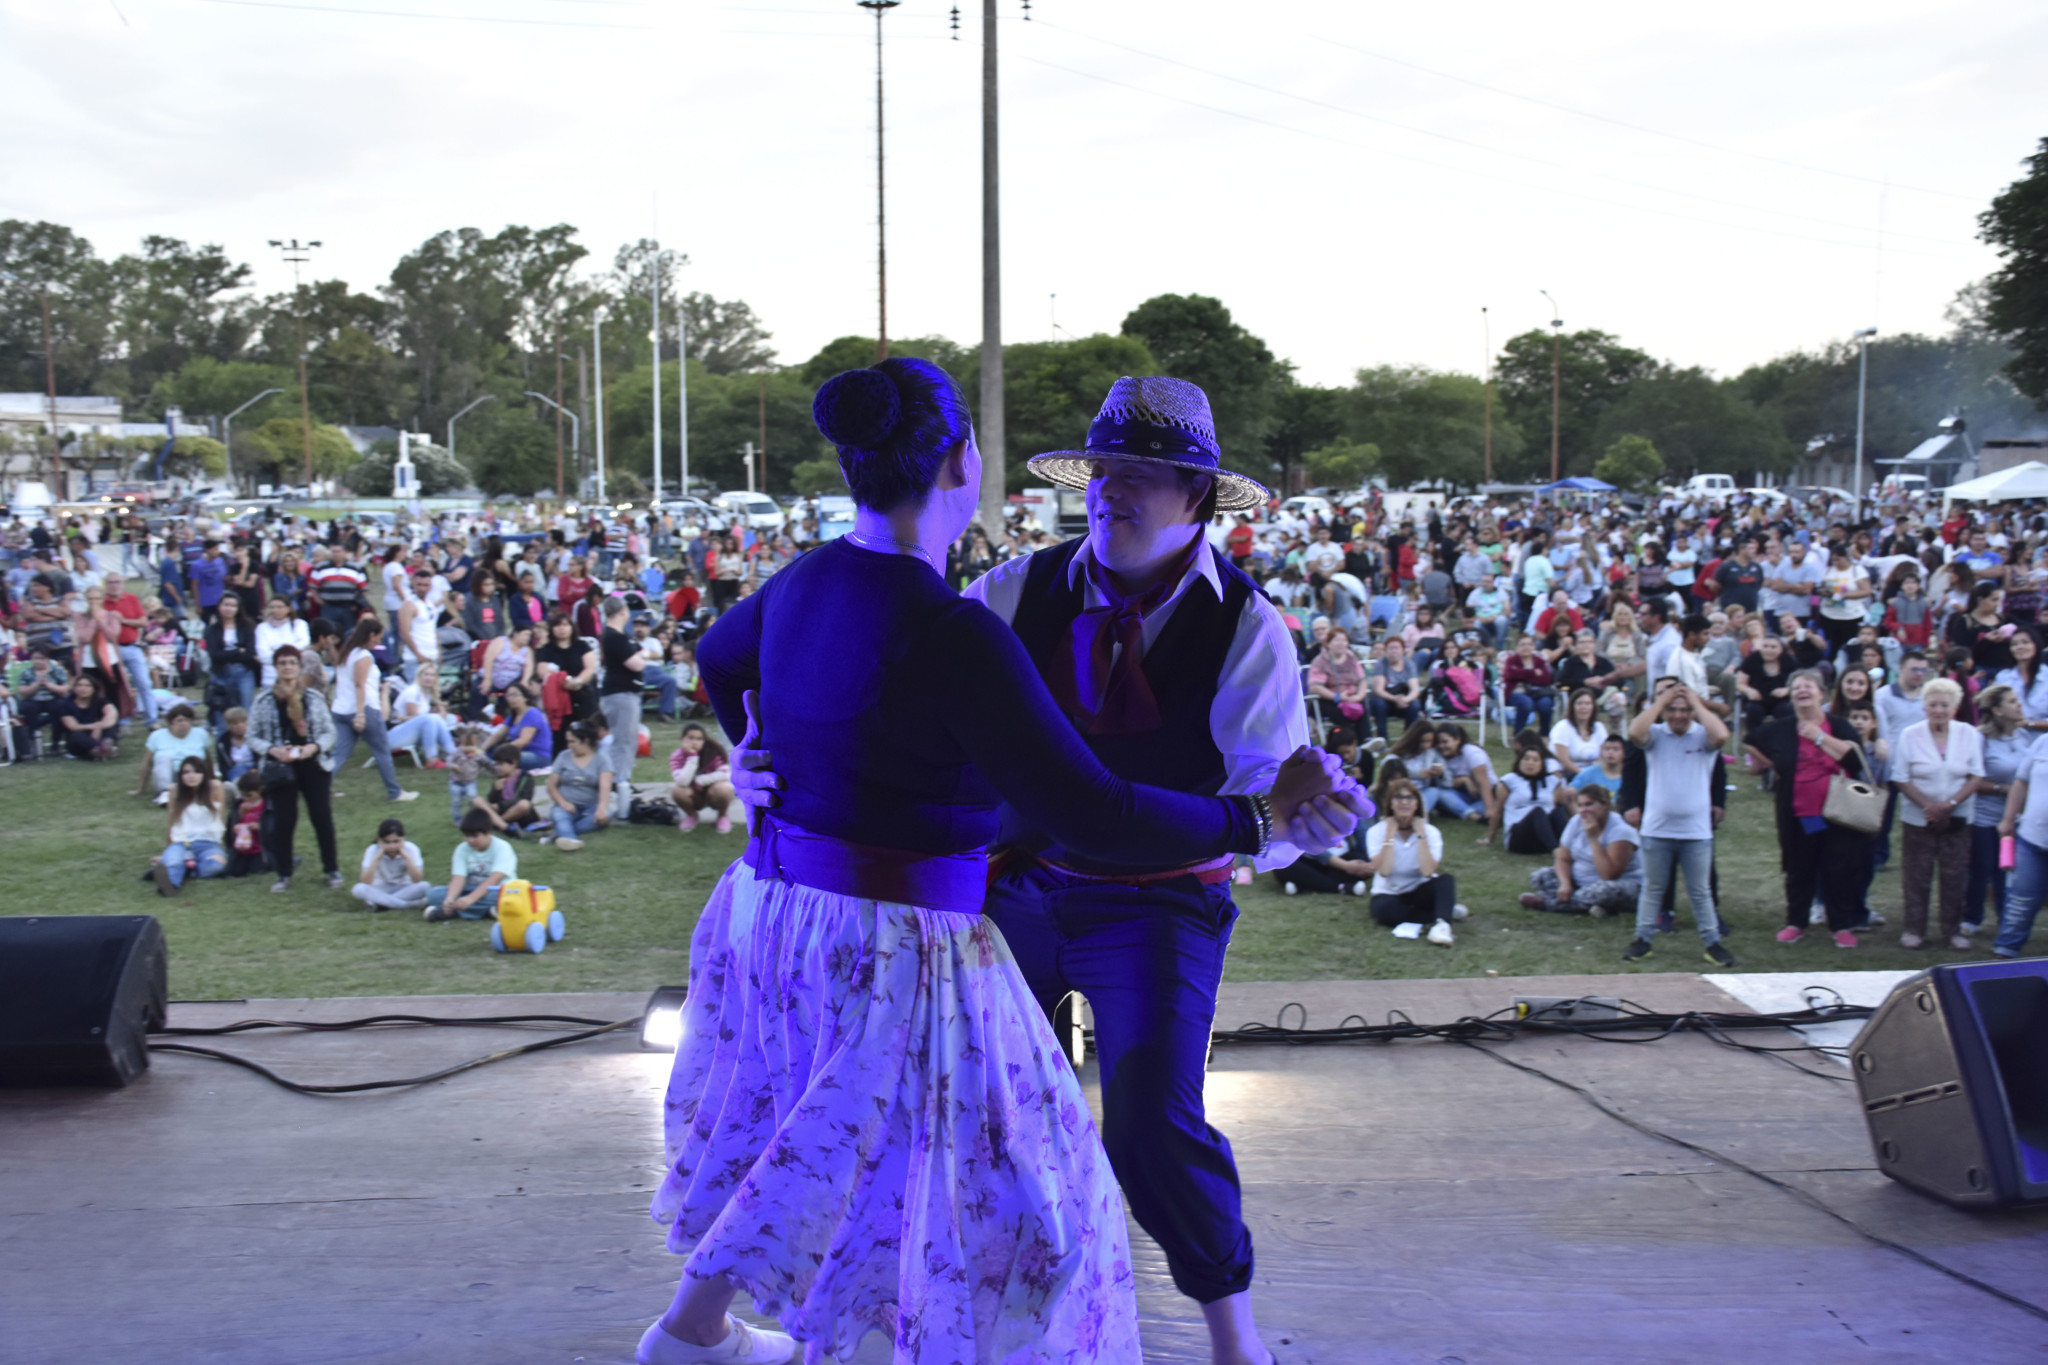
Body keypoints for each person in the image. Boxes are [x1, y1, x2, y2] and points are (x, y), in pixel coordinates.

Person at [679, 363, 1352, 1365]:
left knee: (1145, 1123)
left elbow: (1261, 794)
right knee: (953, 1123)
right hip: (1009, 892)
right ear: (962, 462)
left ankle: (1230, 1337)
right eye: (1099, 468)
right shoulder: (999, 597)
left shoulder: (1245, 627)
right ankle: (937, 1324)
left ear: (1197, 497)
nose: (1108, 488)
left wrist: (1304, 818)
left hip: (1151, 901)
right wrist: (756, 750)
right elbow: (1092, 799)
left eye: (1141, 472)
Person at [1746, 668, 1876, 948]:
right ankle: (1796, 922)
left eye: (1808, 687)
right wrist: (1774, 765)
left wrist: (1818, 737)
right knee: (1800, 866)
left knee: (1838, 867)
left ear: (1822, 693)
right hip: (1802, 814)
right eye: (1796, 688)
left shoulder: (1839, 725)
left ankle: (1841, 925)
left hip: (1839, 813)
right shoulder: (1782, 726)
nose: (1802, 692)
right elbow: (1751, 741)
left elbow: (1854, 760)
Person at [1621, 680, 1735, 966]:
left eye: (1684, 710)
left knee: (1700, 891)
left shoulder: (1702, 736)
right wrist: (1661, 702)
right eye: (1672, 710)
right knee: (1653, 888)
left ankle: (1712, 942)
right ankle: (1643, 939)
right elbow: (1634, 732)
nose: (1678, 716)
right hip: (1656, 828)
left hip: (1696, 831)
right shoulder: (1656, 734)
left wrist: (1696, 702)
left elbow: (1722, 735)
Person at [1892, 676, 1985, 951]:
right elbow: (1900, 776)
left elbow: (1977, 774)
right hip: (1918, 817)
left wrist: (1951, 804)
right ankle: (1914, 929)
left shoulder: (1969, 733)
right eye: (1933, 704)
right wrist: (1928, 806)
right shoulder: (1910, 735)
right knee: (1917, 875)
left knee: (1954, 874)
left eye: (1945, 704)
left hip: (1957, 816)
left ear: (1954, 707)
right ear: (1924, 707)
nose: (1939, 709)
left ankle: (1952, 931)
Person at [250, 645, 341, 893]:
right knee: (284, 820)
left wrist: (314, 747)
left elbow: (329, 732)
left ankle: (331, 869)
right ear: (276, 667)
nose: (287, 667)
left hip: (312, 764)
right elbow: (253, 736)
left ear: (299, 666)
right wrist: (272, 750)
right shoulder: (264, 700)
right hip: (280, 767)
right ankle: (284, 873)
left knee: (322, 817)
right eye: (282, 663)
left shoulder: (313, 698)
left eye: (291, 662)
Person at [327, 618, 418, 803]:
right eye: (379, 637)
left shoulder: (346, 654)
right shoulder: (363, 656)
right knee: (382, 751)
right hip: (364, 710)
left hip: (341, 710)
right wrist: (360, 714)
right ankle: (395, 792)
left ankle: (320, 788)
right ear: (371, 635)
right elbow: (359, 685)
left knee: (339, 754)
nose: (379, 642)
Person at [1966, 683, 2031, 938]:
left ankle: (2006, 918)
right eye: (2013, 701)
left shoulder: (2023, 736)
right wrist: (2003, 788)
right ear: (1998, 710)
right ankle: (1972, 917)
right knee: (1982, 868)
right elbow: (1972, 779)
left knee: (2010, 870)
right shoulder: (1980, 738)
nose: (2019, 705)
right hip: (1985, 817)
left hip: (2017, 818)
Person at [1518, 783, 1642, 917]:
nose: (1583, 810)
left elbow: (1609, 875)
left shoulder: (1621, 831)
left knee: (1604, 892)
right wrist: (1565, 884)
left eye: (1589, 804)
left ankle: (1548, 904)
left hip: (1618, 885)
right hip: (1580, 883)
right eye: (1580, 805)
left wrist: (1593, 838)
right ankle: (1592, 906)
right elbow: (1563, 858)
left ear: (1605, 805)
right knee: (1540, 876)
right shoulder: (1576, 821)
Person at [1366, 778, 1459, 944]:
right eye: (1398, 798)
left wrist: (1421, 833)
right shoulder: (1375, 832)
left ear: (1417, 804)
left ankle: (1442, 924)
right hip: (1389, 893)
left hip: (1419, 889)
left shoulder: (1431, 832)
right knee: (1385, 912)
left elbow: (1427, 871)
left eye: (1409, 798)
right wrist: (1390, 835)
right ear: (1390, 804)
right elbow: (1384, 871)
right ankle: (1443, 910)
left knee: (1446, 881)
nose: (1404, 803)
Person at [1994, 733, 2048, 958]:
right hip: (2032, 837)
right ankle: (2005, 951)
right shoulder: (2043, 741)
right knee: (2020, 900)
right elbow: (2021, 782)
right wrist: (2008, 819)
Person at [149, 755, 228, 896]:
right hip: (181, 841)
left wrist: (221, 846)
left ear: (204, 774)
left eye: (196, 771)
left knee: (216, 866)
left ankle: (187, 868)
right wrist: (167, 848)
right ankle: (170, 886)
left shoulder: (214, 787)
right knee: (173, 861)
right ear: (181, 775)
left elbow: (221, 819)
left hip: (208, 843)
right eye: (186, 772)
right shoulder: (175, 789)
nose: (191, 776)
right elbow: (172, 821)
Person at [423, 809, 517, 921]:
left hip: (496, 890)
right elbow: (458, 878)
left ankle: (457, 912)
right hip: (469, 889)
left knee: (508, 897)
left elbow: (494, 879)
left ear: (488, 833)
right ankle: (488, 911)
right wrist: (450, 898)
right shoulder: (462, 849)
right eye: (467, 836)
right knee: (433, 895)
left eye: (474, 836)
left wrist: (470, 899)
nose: (470, 840)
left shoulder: (502, 848)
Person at [596, 596, 647, 790]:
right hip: (621, 694)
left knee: (625, 738)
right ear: (622, 612)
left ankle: (619, 779)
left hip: (622, 693)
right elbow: (636, 663)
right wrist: (642, 657)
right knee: (623, 740)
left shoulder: (616, 636)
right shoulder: (615, 637)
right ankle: (619, 780)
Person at [544, 720, 614, 851]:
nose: (568, 745)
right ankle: (571, 840)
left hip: (591, 806)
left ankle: (559, 835)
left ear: (585, 740)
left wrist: (601, 808)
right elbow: (551, 786)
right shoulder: (563, 756)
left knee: (606, 815)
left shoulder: (602, 759)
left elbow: (605, 786)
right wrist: (563, 803)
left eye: (572, 741)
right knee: (560, 817)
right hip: (566, 805)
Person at [1491, 743, 1573, 853]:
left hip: (1544, 836)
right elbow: (1498, 811)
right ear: (1519, 761)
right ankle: (1556, 852)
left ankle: (1572, 847)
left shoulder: (1552, 781)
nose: (1530, 763)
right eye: (1526, 759)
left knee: (1558, 810)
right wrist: (1490, 837)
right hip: (1519, 837)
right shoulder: (1508, 781)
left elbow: (1561, 808)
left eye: (1535, 760)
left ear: (1542, 764)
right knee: (1537, 811)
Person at [667, 721, 737, 833]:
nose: (694, 742)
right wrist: (692, 757)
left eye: (699, 739)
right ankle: (691, 815)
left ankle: (722, 816)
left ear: (704, 741)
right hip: (693, 795)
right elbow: (682, 782)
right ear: (682, 739)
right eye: (690, 738)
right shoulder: (677, 756)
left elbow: (726, 774)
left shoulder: (714, 751)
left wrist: (702, 780)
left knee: (724, 788)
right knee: (677, 790)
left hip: (713, 793)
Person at [134, 702, 211, 803]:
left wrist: (211, 781)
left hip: (193, 775)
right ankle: (165, 793)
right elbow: (147, 763)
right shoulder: (157, 736)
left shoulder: (201, 734)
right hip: (170, 776)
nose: (183, 724)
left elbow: (208, 760)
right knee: (163, 758)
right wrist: (140, 789)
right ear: (171, 723)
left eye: (187, 720)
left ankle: (195, 792)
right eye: (179, 721)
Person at [351, 817, 430, 912]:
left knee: (425, 886)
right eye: (387, 842)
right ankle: (406, 905)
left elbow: (417, 880)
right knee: (358, 889)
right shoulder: (372, 850)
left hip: (404, 887)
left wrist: (407, 858)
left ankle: (380, 903)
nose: (392, 846)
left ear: (403, 839)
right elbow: (365, 881)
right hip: (381, 888)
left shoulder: (412, 849)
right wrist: (377, 858)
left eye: (396, 841)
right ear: (379, 841)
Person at [205, 593, 259, 720]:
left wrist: (229, 653)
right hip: (220, 673)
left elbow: (249, 653)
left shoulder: (247, 627)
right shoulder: (212, 629)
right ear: (219, 606)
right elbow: (214, 655)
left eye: (233, 606)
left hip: (243, 673)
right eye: (226, 605)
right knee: (221, 710)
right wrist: (238, 651)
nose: (229, 609)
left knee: (246, 709)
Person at [1305, 628, 1367, 730]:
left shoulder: (1352, 658)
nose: (1341, 643)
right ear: (1328, 644)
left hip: (1353, 696)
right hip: (1330, 699)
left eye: (1344, 640)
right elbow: (1315, 687)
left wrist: (1359, 696)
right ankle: (1348, 741)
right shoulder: (1320, 661)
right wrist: (1337, 697)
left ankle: (1366, 740)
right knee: (1340, 712)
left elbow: (1362, 680)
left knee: (1363, 706)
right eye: (1337, 640)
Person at [488, 680, 553, 771]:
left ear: (525, 698)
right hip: (518, 752)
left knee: (507, 758)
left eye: (514, 695)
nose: (511, 698)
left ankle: (495, 765)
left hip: (538, 755)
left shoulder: (532, 713)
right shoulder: (512, 716)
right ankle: (495, 764)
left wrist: (502, 750)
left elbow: (524, 740)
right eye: (509, 695)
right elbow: (498, 735)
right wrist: (481, 749)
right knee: (490, 749)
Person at [1368, 634, 1424, 738]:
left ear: (1403, 650)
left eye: (1397, 648)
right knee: (1379, 704)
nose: (1393, 651)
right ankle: (1382, 738)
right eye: (1390, 648)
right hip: (1386, 699)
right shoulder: (1381, 664)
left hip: (1404, 701)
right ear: (1386, 651)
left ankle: (1409, 738)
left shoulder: (1409, 664)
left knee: (1415, 705)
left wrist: (1406, 699)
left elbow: (1415, 689)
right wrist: (1395, 699)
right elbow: (1378, 690)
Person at [54, 672, 121, 760]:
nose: (83, 688)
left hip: (98, 735)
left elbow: (112, 716)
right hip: (78, 739)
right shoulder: (65, 704)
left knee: (113, 726)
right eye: (79, 685)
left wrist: (99, 727)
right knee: (77, 736)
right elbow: (73, 727)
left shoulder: (101, 701)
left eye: (87, 685)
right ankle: (101, 750)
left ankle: (104, 747)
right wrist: (95, 726)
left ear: (94, 689)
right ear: (74, 688)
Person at [1502, 632, 1557, 734]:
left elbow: (1546, 679)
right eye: (1523, 644)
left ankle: (1544, 735)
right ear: (1517, 647)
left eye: (1529, 644)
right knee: (1526, 703)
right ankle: (1519, 734)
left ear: (1534, 647)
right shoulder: (1511, 660)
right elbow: (1510, 675)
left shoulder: (1540, 661)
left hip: (1538, 693)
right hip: (1516, 693)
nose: (1526, 647)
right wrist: (1533, 673)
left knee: (1546, 703)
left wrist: (1522, 675)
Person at [255, 593, 310, 690]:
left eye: (279, 607)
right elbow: (263, 654)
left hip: (295, 677)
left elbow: (304, 643)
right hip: (270, 677)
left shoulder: (299, 624)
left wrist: (278, 651)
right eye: (272, 607)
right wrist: (289, 651)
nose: (275, 610)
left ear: (288, 608)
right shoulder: (262, 627)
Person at [1549, 687, 1607, 780]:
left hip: (1595, 773)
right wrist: (1583, 774)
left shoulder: (1599, 727)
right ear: (1572, 707)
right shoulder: (1562, 727)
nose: (1583, 707)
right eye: (1579, 703)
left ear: (1593, 707)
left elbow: (1604, 755)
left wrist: (1594, 771)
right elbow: (1564, 761)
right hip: (1569, 775)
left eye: (1588, 704)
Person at [1570, 733, 1628, 798]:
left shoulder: (1630, 776)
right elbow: (1570, 792)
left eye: (1616, 749)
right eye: (1607, 749)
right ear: (1601, 752)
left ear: (1624, 753)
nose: (1610, 752)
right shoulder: (1589, 773)